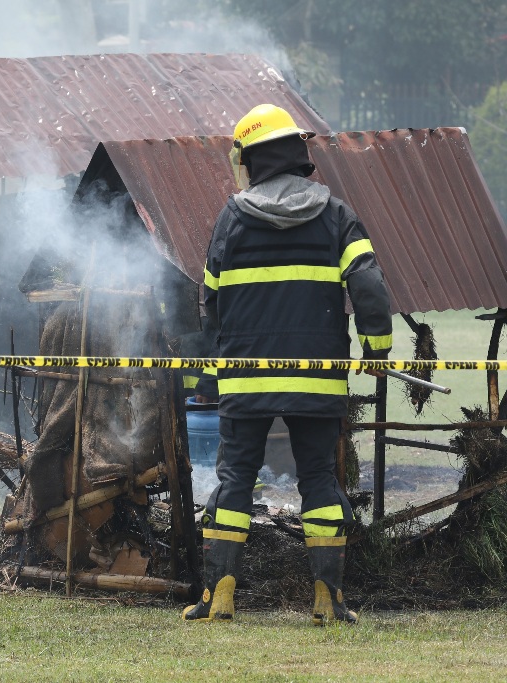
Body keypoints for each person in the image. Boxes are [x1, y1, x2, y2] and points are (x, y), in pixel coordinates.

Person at [183, 105, 392, 626]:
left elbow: (210, 302)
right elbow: (369, 289)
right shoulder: (337, 215)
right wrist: (377, 350)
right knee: (320, 479)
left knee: (234, 480)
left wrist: (212, 371)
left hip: (245, 378)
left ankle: (219, 599)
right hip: (316, 378)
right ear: (297, 154)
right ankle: (329, 601)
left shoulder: (232, 218)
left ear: (251, 159)